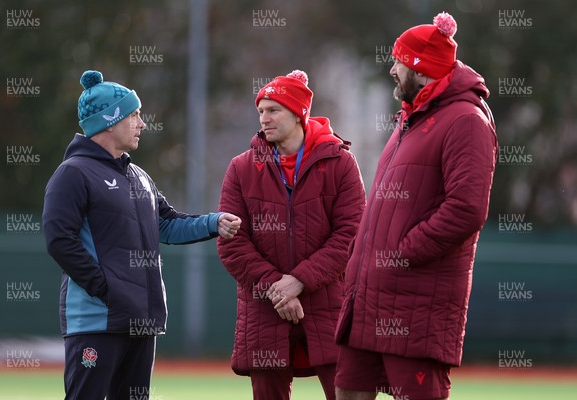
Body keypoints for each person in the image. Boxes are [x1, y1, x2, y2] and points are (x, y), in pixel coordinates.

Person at [43, 70, 241, 400]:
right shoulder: (72, 174)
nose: (142, 123)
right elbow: (58, 240)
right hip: (96, 322)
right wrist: (105, 289)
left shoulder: (139, 176)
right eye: (134, 114)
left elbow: (166, 224)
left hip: (140, 321)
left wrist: (213, 222)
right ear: (109, 120)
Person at [334, 12, 498, 400]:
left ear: (421, 71)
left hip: (416, 305)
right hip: (368, 299)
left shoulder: (466, 120)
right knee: (348, 393)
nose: (393, 69)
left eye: (400, 62)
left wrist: (404, 253)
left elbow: (466, 209)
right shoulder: (411, 118)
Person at [217, 70, 366, 400]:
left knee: (348, 395)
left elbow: (351, 236)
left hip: (328, 304)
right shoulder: (241, 168)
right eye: (260, 111)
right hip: (264, 307)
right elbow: (231, 243)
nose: (264, 119)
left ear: (299, 113)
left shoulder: (340, 163)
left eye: (273, 110)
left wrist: (299, 280)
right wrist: (276, 288)